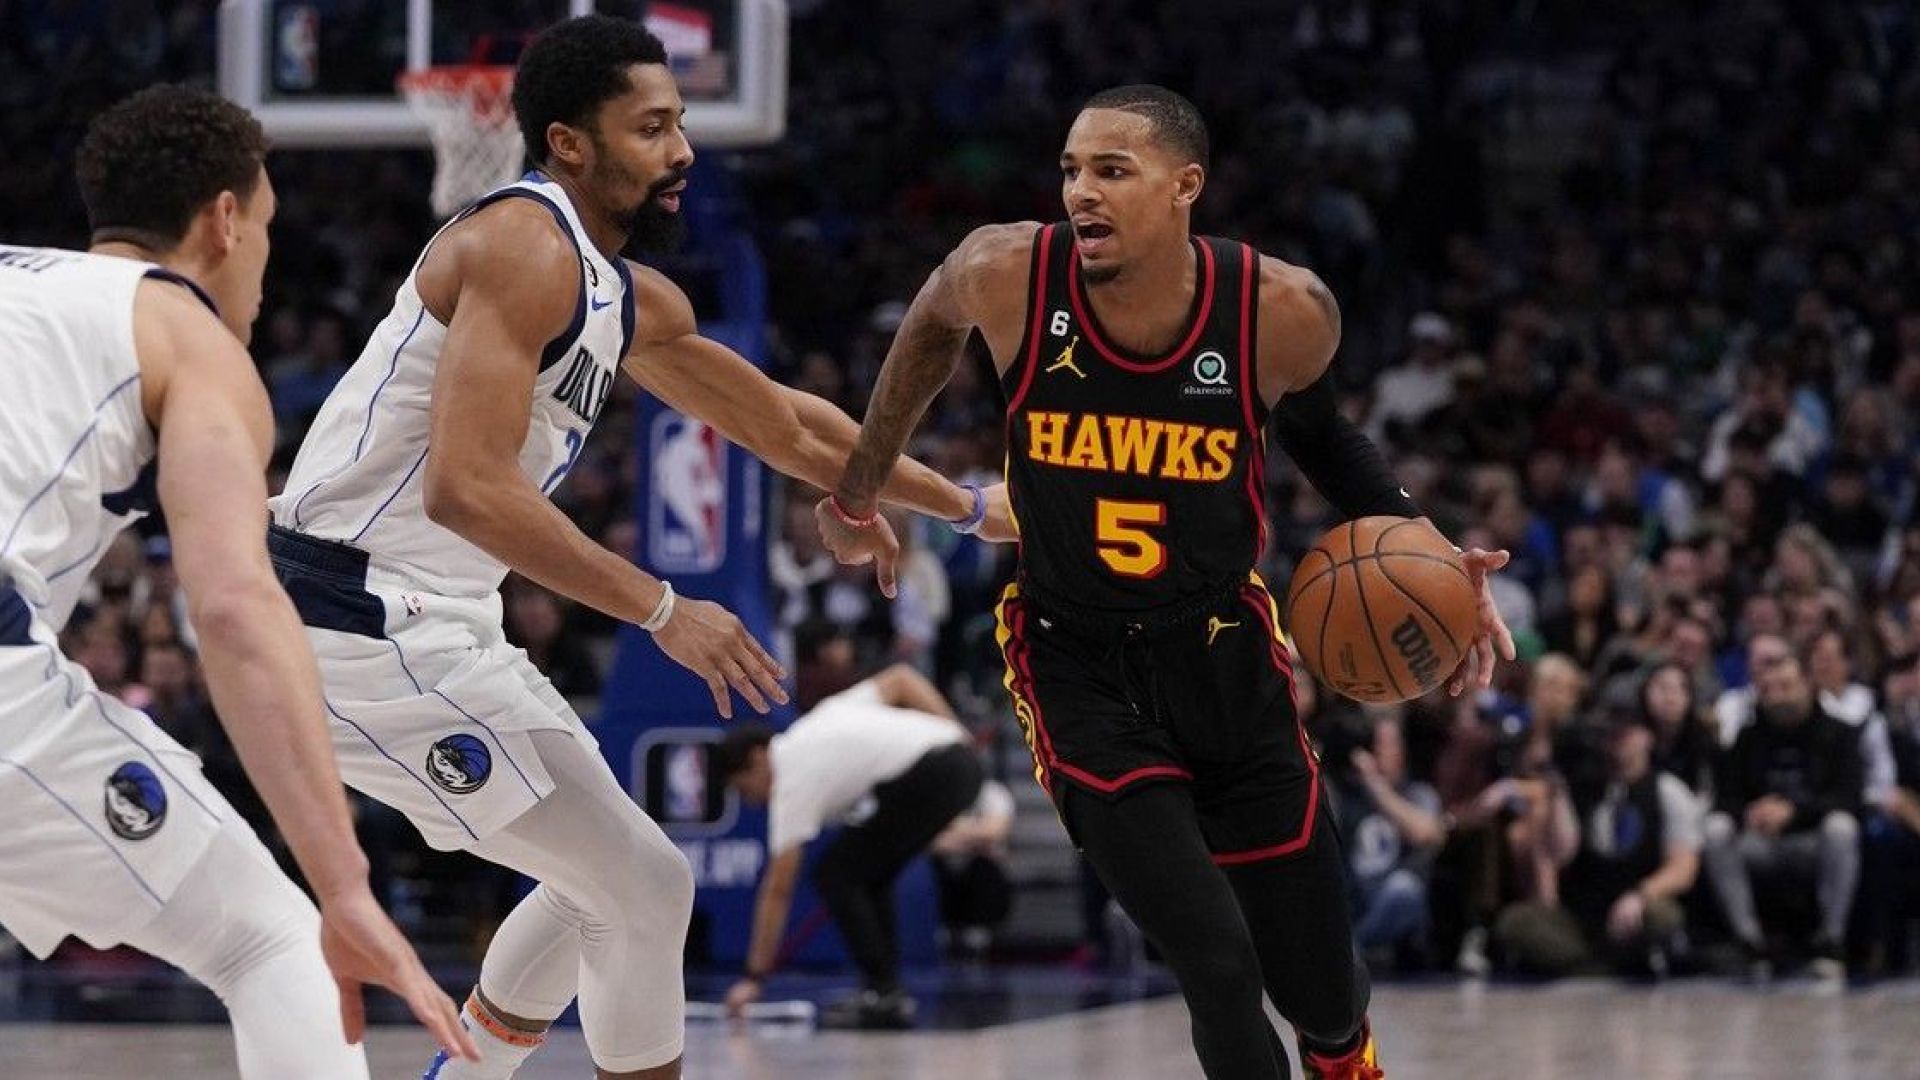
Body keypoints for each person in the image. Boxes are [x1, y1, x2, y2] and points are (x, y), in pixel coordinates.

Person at [265, 18, 1007, 1080]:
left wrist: (965, 506)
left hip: (435, 617)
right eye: (652, 128)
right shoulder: (522, 245)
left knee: (600, 887)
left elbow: (790, 429)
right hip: (350, 613)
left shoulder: (627, 295)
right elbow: (465, 486)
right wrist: (663, 609)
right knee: (644, 885)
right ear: (571, 144)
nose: (682, 150)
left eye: (680, 124)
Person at [817, 84, 1515, 1080]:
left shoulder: (1277, 309)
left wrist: (1439, 553)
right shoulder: (1007, 273)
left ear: (1185, 186)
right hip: (1075, 662)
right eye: (1071, 170)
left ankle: (1343, 1053)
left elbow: (1325, 440)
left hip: (1225, 653)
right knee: (1218, 965)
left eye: (1112, 171)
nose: (1080, 192)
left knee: (1321, 993)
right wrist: (858, 492)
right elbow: (930, 328)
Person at [0, 85, 472, 1076]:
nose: (262, 259)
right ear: (224, 220)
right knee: (275, 944)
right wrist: (344, 885)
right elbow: (233, 607)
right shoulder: (187, 338)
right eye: (265, 227)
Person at [717, 663, 984, 1028]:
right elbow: (902, 679)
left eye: (744, 788)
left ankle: (884, 992)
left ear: (756, 759)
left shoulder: (791, 777)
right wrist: (957, 735)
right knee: (868, 874)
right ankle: (885, 991)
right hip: (956, 764)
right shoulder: (820, 721)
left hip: (934, 772)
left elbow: (778, 889)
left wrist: (754, 976)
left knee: (837, 874)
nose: (752, 801)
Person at [1495, 708, 1702, 978]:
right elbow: (1560, 853)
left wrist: (1639, 896)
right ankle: (1593, 964)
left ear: (1646, 737)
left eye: (1625, 734)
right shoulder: (1583, 786)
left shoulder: (1667, 790)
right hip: (1584, 915)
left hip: (1637, 907)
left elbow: (1683, 868)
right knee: (1516, 922)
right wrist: (1558, 790)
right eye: (1611, 735)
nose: (1617, 742)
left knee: (1661, 916)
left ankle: (1609, 962)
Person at [1702, 652, 1862, 983]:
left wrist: (1794, 812)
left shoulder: (1840, 734)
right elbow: (1726, 798)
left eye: (1785, 686)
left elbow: (1849, 797)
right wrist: (1750, 812)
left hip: (1814, 841)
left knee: (1842, 827)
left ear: (1808, 684)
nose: (1777, 696)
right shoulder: (1748, 738)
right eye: (1768, 689)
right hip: (1762, 843)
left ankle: (1831, 941)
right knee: (1716, 830)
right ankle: (1750, 941)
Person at [1336, 716, 1445, 966]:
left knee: (1405, 888)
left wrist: (1376, 785)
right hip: (1353, 897)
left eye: (1388, 744)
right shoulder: (1348, 794)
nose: (1381, 752)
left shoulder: (1418, 793)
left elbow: (1427, 832)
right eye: (1376, 744)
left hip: (1391, 899)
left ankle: (1349, 952)